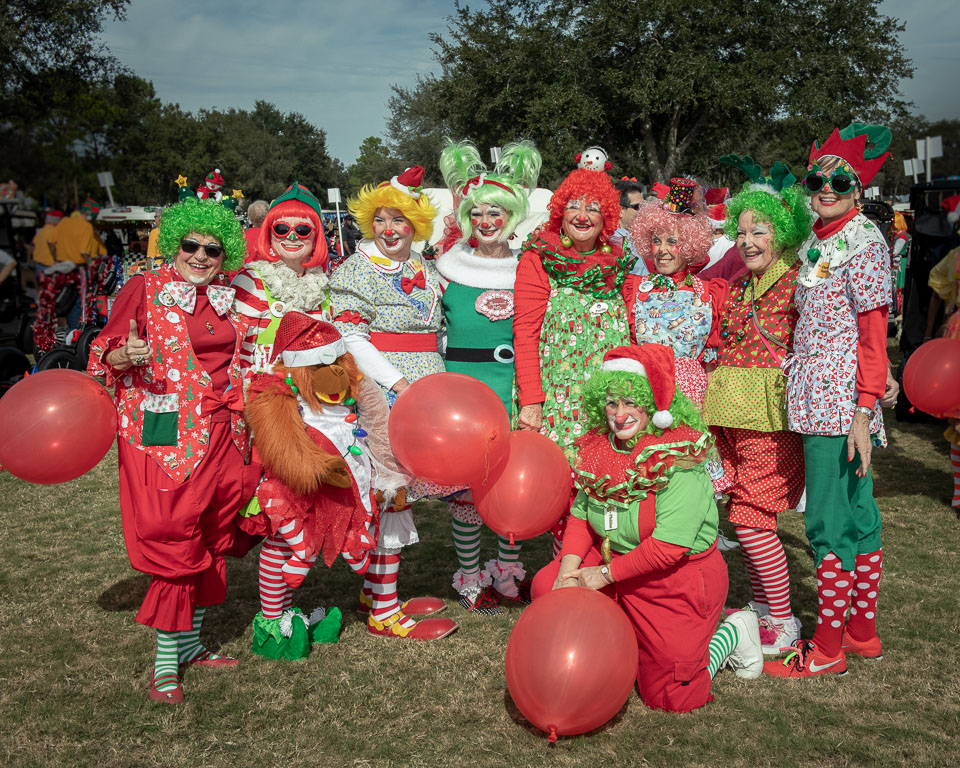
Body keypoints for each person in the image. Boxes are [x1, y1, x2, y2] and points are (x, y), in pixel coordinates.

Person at [87, 197, 260, 704]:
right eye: (191, 245)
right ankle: (165, 663)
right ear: (173, 244)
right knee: (174, 535)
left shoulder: (229, 295)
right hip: (167, 433)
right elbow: (102, 355)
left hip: (227, 430)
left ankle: (191, 645)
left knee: (213, 530)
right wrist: (124, 354)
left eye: (212, 248)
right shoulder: (144, 287)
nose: (201, 256)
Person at [531, 344, 763, 712]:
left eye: (631, 403)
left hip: (675, 579)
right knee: (549, 586)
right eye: (611, 403)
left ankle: (732, 632)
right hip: (616, 567)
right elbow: (581, 514)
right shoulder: (599, 448)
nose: (619, 415)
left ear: (654, 403)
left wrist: (603, 575)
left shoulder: (678, 457)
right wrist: (570, 569)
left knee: (672, 698)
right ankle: (612, 652)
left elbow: (669, 548)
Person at [767, 123, 893, 678]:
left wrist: (863, 411)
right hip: (822, 394)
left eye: (839, 180)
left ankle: (826, 649)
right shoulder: (818, 238)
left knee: (826, 522)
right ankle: (862, 634)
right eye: (817, 178)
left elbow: (873, 336)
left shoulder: (864, 244)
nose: (825, 187)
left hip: (840, 405)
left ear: (858, 189)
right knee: (859, 517)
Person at [328, 166, 457, 641]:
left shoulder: (424, 267)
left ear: (415, 225)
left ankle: (373, 591)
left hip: (425, 386)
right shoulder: (355, 269)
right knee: (390, 492)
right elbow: (351, 336)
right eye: (381, 220)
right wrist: (399, 383)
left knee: (405, 489)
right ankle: (383, 610)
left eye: (399, 220)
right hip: (384, 391)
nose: (389, 229)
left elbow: (435, 330)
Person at [242, 313, 408, 659]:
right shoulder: (279, 393)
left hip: (347, 483)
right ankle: (274, 620)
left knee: (361, 529)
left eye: (336, 362)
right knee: (283, 544)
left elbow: (377, 424)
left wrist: (387, 475)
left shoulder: (354, 389)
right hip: (300, 486)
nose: (333, 374)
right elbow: (281, 443)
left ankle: (338, 587)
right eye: (320, 365)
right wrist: (317, 469)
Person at [701, 163, 813, 653]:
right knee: (742, 516)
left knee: (751, 518)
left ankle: (785, 620)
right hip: (730, 412)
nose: (746, 241)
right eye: (741, 232)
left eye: (759, 231)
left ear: (782, 234)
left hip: (769, 419)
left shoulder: (798, 283)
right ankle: (767, 608)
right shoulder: (745, 284)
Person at [436, 138, 542, 614]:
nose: (487, 221)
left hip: (510, 387)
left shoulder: (530, 268)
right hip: (462, 389)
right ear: (466, 218)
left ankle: (507, 570)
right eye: (477, 213)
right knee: (465, 488)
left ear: (511, 216)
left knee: (508, 482)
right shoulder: (442, 270)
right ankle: (470, 575)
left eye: (496, 212)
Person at [513, 167, 638, 556]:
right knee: (566, 493)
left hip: (610, 399)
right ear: (559, 212)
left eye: (594, 207)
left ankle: (607, 576)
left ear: (608, 218)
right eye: (573, 206)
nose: (582, 215)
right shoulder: (539, 258)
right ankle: (565, 576)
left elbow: (633, 331)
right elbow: (525, 333)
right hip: (558, 402)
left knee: (611, 486)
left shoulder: (618, 263)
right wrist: (532, 400)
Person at [628, 179, 728, 409]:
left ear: (689, 245)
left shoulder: (710, 293)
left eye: (672, 241)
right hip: (645, 398)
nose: (662, 250)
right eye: (656, 241)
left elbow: (710, 364)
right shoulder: (634, 290)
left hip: (692, 403)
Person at [232, 183, 331, 373]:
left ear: (316, 236)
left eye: (302, 230)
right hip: (266, 395)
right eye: (281, 229)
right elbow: (236, 353)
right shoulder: (252, 280)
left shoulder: (323, 284)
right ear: (269, 232)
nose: (292, 236)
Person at [35, 199, 106, 350]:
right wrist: (91, 266)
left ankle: (59, 336)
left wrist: (56, 258)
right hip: (78, 269)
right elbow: (84, 252)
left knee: (61, 303)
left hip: (61, 267)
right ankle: (75, 338)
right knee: (80, 305)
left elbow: (50, 242)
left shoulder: (64, 222)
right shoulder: (86, 226)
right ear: (90, 215)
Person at [611, 177, 648, 276]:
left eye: (643, 206)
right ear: (620, 211)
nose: (642, 211)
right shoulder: (614, 243)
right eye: (637, 207)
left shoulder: (634, 238)